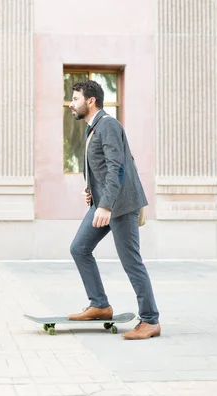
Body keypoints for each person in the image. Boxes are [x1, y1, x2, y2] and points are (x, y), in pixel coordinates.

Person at [67, 80, 161, 340]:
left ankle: (150, 320)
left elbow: (117, 166)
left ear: (91, 101)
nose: (71, 104)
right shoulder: (93, 128)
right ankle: (99, 305)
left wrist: (106, 204)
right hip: (104, 203)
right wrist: (92, 189)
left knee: (131, 261)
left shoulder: (107, 125)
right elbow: (101, 167)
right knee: (79, 249)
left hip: (120, 205)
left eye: (75, 99)